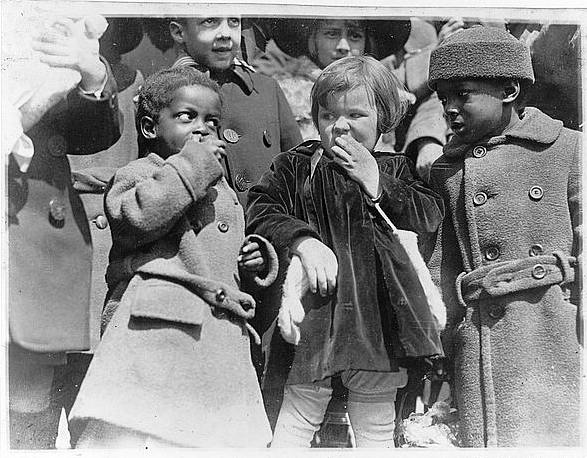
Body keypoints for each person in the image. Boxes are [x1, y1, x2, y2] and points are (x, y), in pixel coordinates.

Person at [69, 66, 279, 448]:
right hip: (156, 333)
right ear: (150, 127)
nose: (202, 128)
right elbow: (142, 217)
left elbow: (219, 251)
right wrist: (194, 164)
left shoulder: (220, 188)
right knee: (136, 436)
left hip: (214, 338)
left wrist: (252, 260)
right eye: (187, 117)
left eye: (212, 121)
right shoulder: (137, 175)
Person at [246, 55, 445, 447]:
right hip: (317, 316)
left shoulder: (397, 168)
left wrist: (376, 181)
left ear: (384, 119)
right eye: (326, 114)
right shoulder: (297, 165)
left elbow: (428, 215)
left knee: (375, 424)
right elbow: (261, 207)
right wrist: (303, 241)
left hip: (377, 319)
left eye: (356, 114)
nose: (339, 125)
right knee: (297, 416)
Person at [427, 26, 582, 447]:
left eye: (463, 94)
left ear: (510, 89)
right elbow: (442, 268)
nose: (450, 110)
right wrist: (441, 344)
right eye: (443, 99)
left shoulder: (569, 148)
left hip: (559, 327)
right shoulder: (447, 170)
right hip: (481, 339)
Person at [4, 11, 120, 449]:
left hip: (35, 237)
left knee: (30, 381)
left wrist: (91, 74)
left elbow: (91, 133)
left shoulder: (47, 46)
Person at [251, 17, 447, 182]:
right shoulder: (285, 92)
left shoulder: (387, 91)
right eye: (331, 34)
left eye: (354, 36)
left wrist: (426, 144)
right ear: (313, 40)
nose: (343, 46)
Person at [143, 16, 302, 205]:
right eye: (210, 21)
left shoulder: (267, 89)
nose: (226, 34)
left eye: (234, 21)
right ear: (179, 32)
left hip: (267, 228)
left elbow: (297, 173)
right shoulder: (161, 96)